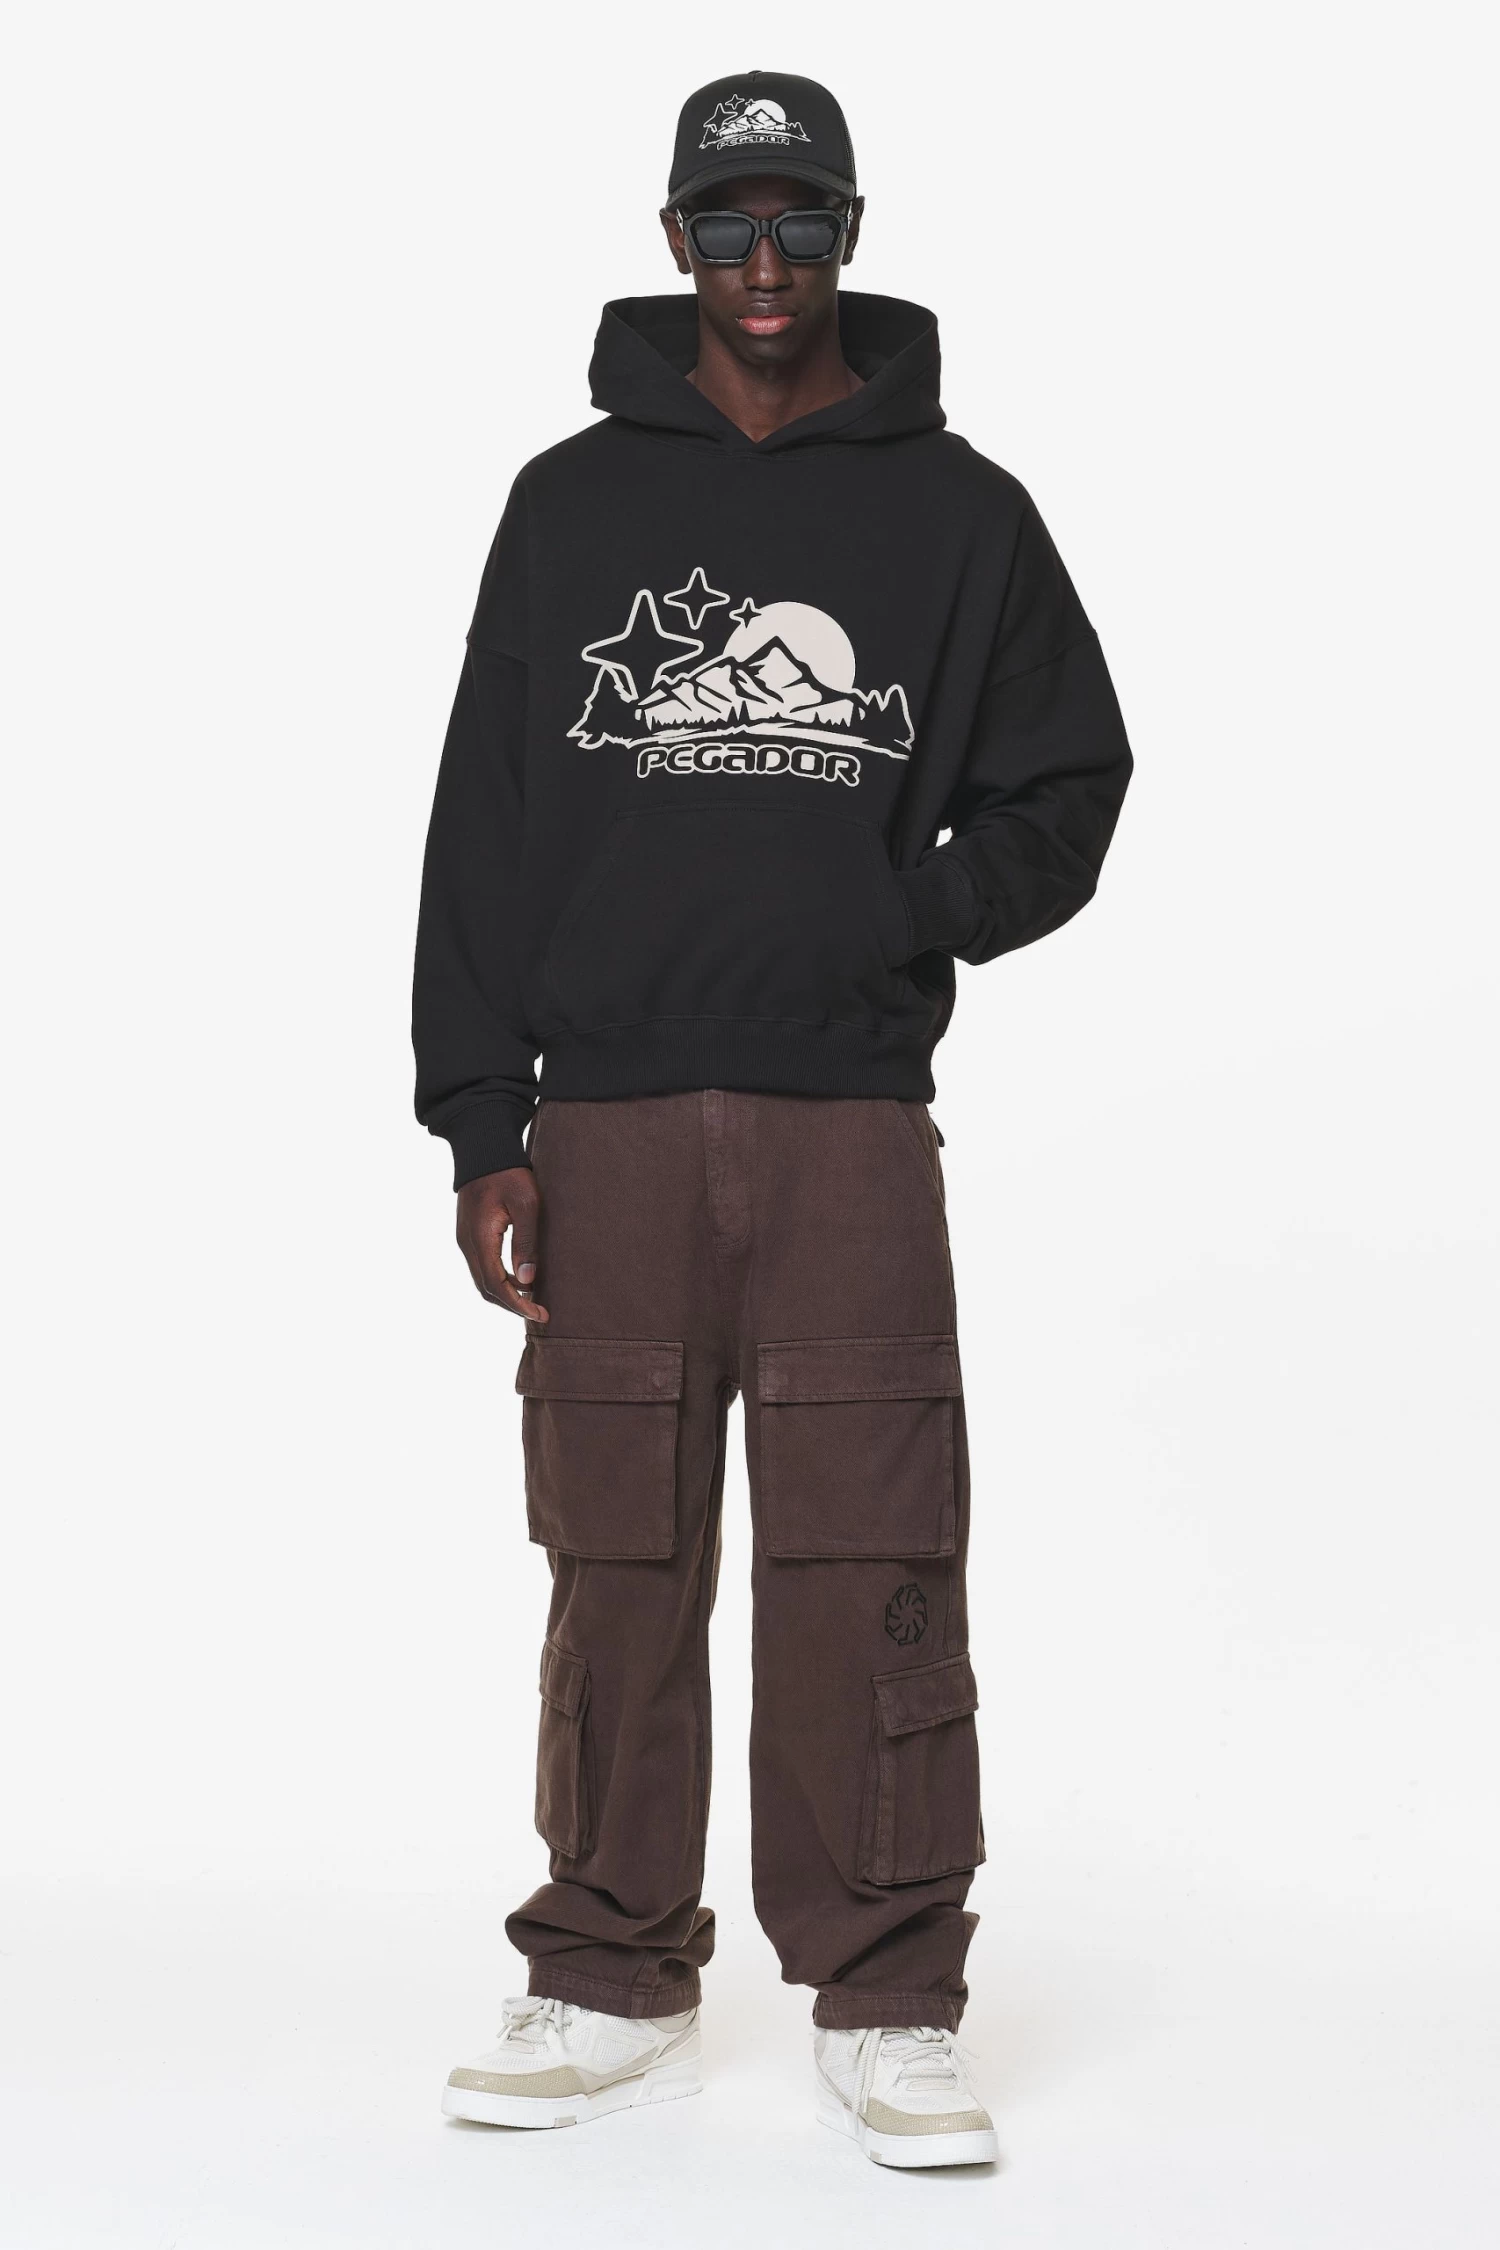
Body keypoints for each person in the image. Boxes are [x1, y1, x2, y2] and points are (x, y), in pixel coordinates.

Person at [413, 68, 1131, 2169]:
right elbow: (481, 817)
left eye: (798, 221)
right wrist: (481, 1119)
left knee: (871, 1553)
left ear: (847, 236)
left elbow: (1072, 778)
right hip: (608, 1119)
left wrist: (908, 913)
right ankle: (609, 1974)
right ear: (674, 240)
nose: (761, 261)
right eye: (726, 222)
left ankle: (892, 1993)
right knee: (614, 1558)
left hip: (847, 1122)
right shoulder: (568, 504)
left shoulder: (961, 513)